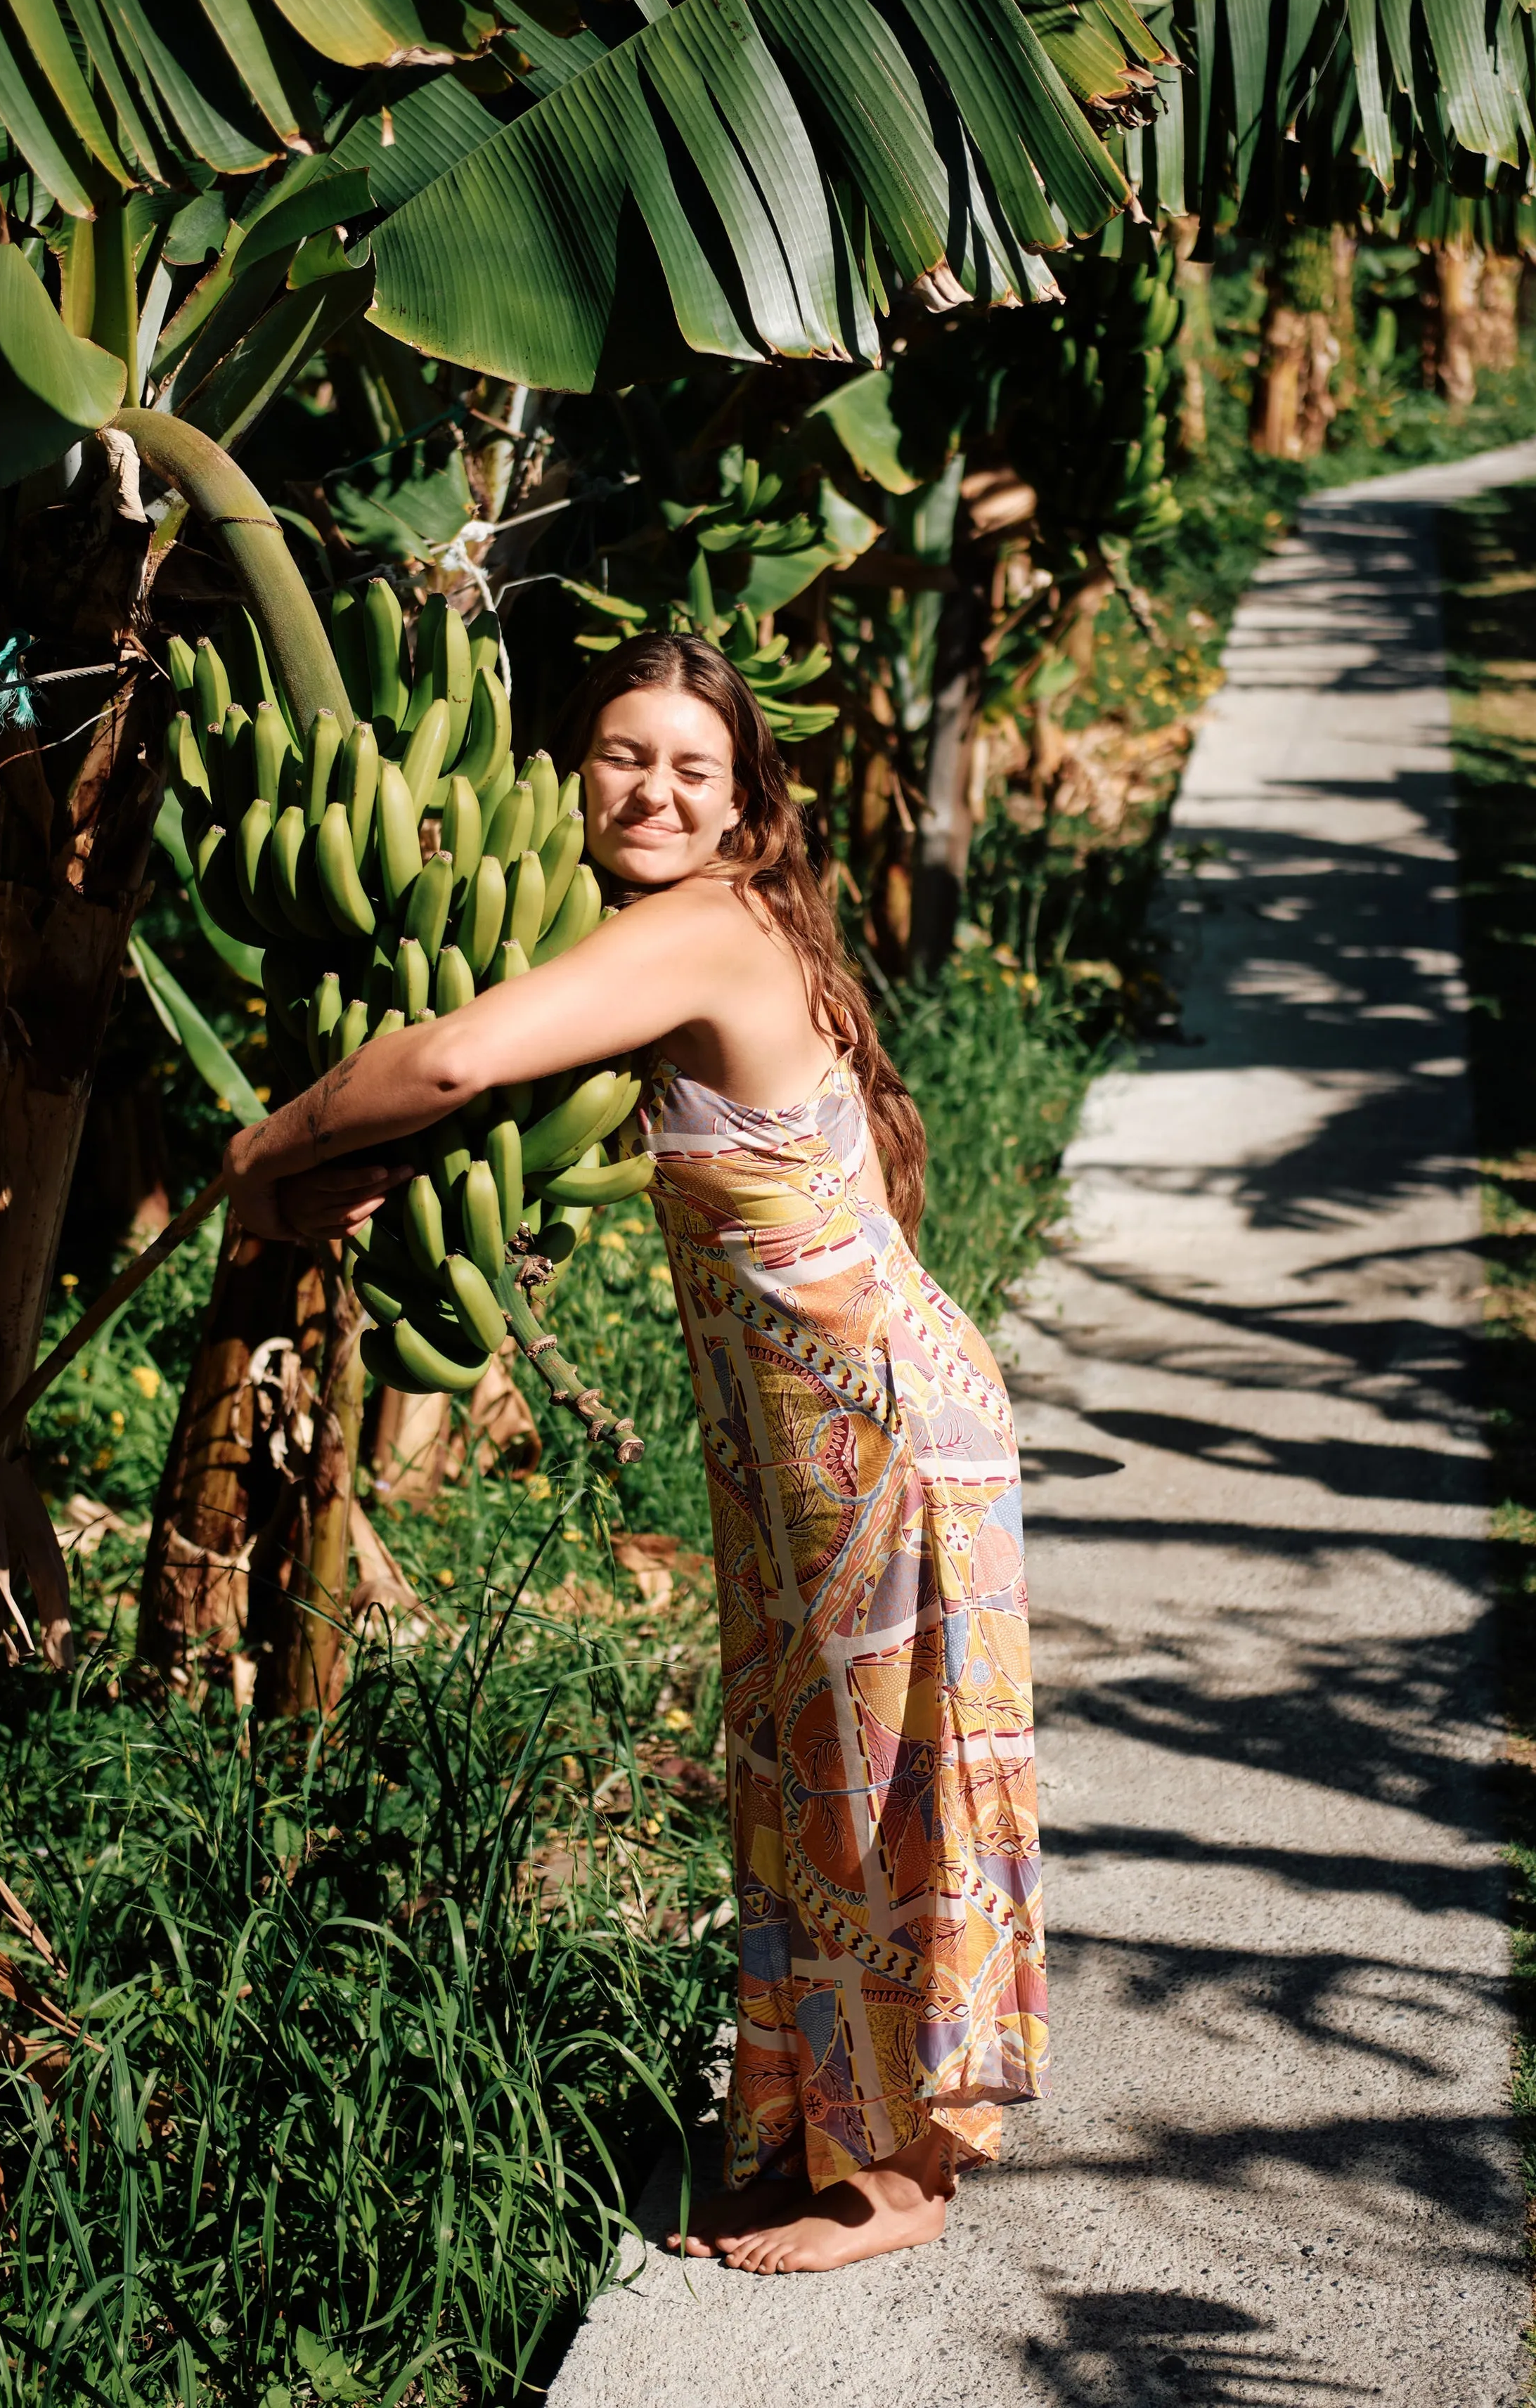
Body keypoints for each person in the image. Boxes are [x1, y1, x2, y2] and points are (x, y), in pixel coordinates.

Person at [224, 630, 1047, 2274]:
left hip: (871, 1424)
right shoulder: (689, 939)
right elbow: (510, 1105)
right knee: (812, 1766)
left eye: (693, 765)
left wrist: (269, 1144)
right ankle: (819, 2128)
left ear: (747, 804)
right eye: (622, 755)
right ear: (570, 769)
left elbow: (454, 1059)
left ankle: (899, 2182)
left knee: (870, 1778)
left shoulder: (701, 929)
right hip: (824, 1426)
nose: (653, 790)